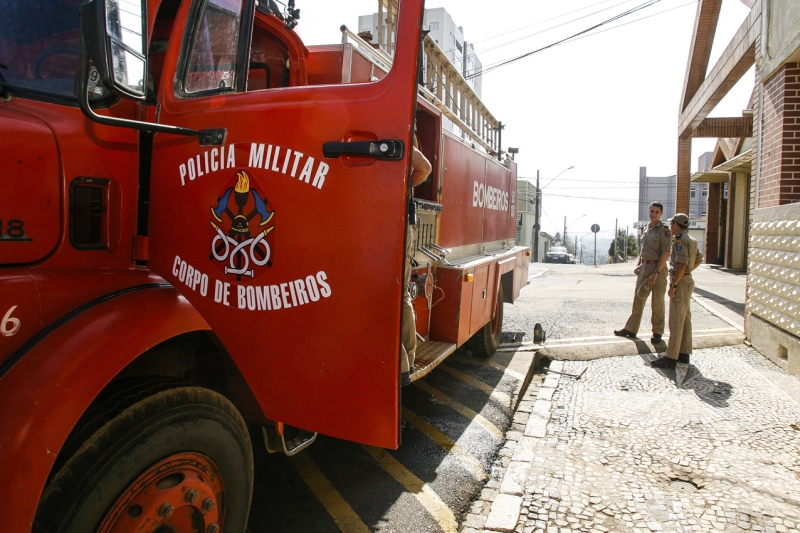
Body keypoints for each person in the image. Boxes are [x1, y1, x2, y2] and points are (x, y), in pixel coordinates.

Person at [614, 201, 671, 343]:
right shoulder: (646, 228)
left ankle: (657, 332)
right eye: (652, 211)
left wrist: (656, 272)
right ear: (648, 211)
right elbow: (643, 249)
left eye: (657, 212)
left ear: (661, 214)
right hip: (645, 267)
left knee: (657, 302)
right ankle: (631, 329)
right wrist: (639, 264)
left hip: (658, 268)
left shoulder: (664, 230)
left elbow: (665, 253)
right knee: (638, 298)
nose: (653, 214)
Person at [651, 213, 703, 368]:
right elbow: (699, 259)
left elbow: (681, 264)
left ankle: (672, 357)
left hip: (680, 282)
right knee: (685, 319)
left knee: (675, 320)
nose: (671, 227)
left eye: (672, 224)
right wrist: (688, 271)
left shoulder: (680, 240)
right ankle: (684, 353)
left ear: (676, 224)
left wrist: (674, 284)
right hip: (687, 280)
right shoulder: (692, 239)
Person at [400, 142, 432, 386]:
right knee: (399, 297)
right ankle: (406, 362)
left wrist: (406, 186)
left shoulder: (401, 137)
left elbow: (425, 167)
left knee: (396, 295)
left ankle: (404, 363)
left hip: (397, 222)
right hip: (396, 220)